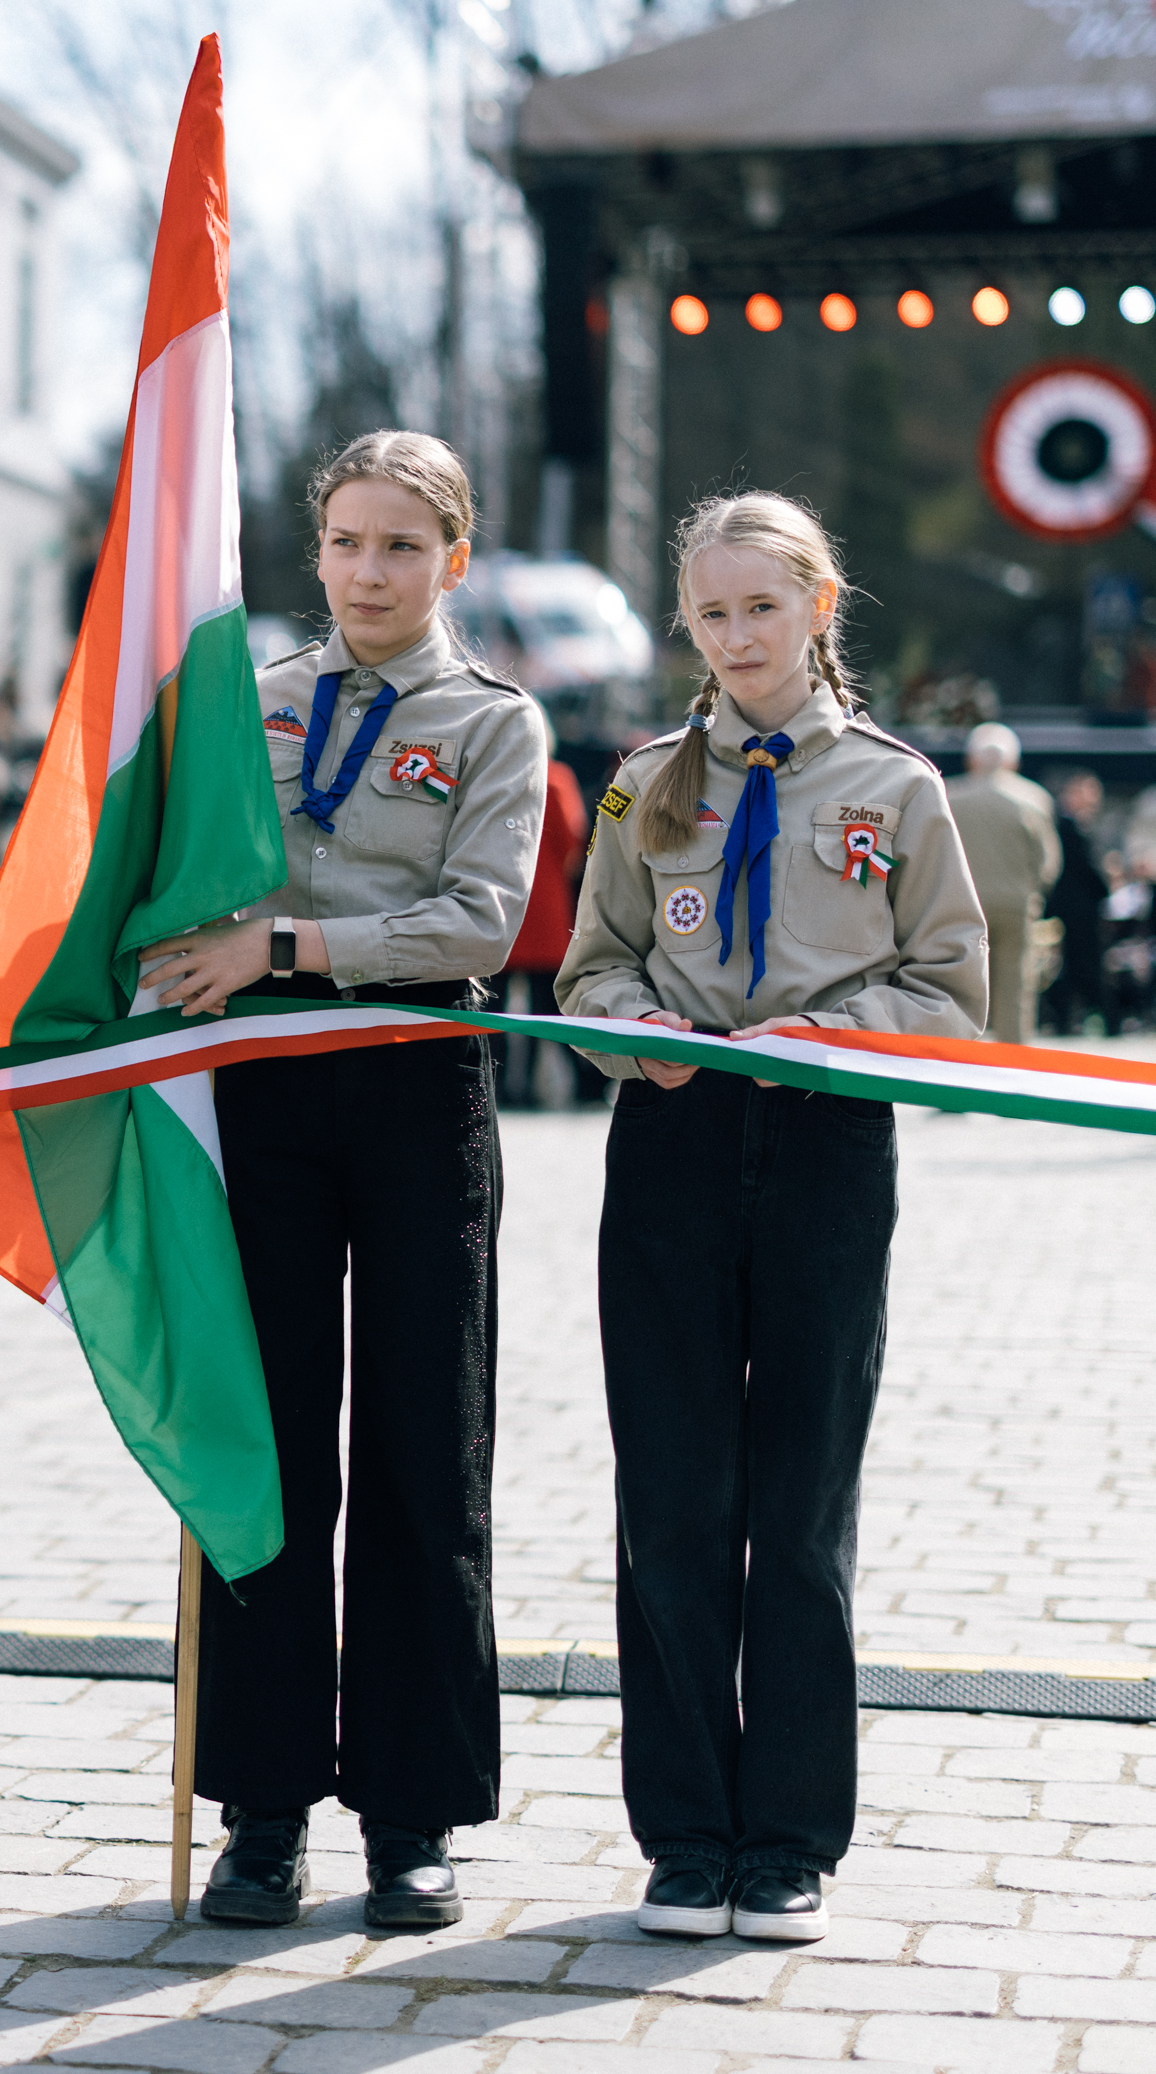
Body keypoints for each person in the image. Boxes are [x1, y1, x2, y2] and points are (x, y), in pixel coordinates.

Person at [560, 492, 986, 1945]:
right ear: (687, 622)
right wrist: (635, 1030)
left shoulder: (896, 789)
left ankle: (790, 1834)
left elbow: (952, 987)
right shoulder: (642, 783)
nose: (738, 636)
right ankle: (685, 1834)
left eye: (762, 606)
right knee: (674, 1497)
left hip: (822, 1146)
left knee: (800, 1503)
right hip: (672, 1138)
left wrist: (842, 1030)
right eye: (713, 611)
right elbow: (589, 964)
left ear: (820, 604)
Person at [137, 430, 545, 1930]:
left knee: (427, 1451)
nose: (372, 572)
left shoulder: (495, 721)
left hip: (415, 1077)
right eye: (348, 543)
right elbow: (176, 882)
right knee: (267, 1437)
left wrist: (287, 947)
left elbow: (481, 919)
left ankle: (411, 1809)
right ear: (313, 551)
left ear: (454, 554)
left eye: (404, 547)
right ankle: (260, 1803)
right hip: (259, 1088)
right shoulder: (247, 709)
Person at [497, 704, 597, 1108]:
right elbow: (573, 843)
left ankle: (503, 1087)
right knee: (548, 1012)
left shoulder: (498, 777)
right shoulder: (556, 780)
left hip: (504, 907)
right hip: (546, 911)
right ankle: (557, 1087)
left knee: (494, 1014)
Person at [944, 722, 1058, 1045]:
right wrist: (1034, 890)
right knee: (1016, 984)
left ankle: (963, 1048)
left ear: (971, 759)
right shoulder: (1034, 799)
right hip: (1015, 903)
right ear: (1013, 761)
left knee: (963, 981)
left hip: (962, 903)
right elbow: (1048, 862)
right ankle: (1014, 1056)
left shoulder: (948, 796)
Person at [1045, 769, 1110, 1034]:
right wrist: (1106, 886)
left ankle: (1067, 1019)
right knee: (1082, 963)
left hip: (1075, 907)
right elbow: (1086, 868)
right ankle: (1099, 1018)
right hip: (1077, 908)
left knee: (1074, 964)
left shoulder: (1078, 825)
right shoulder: (1067, 827)